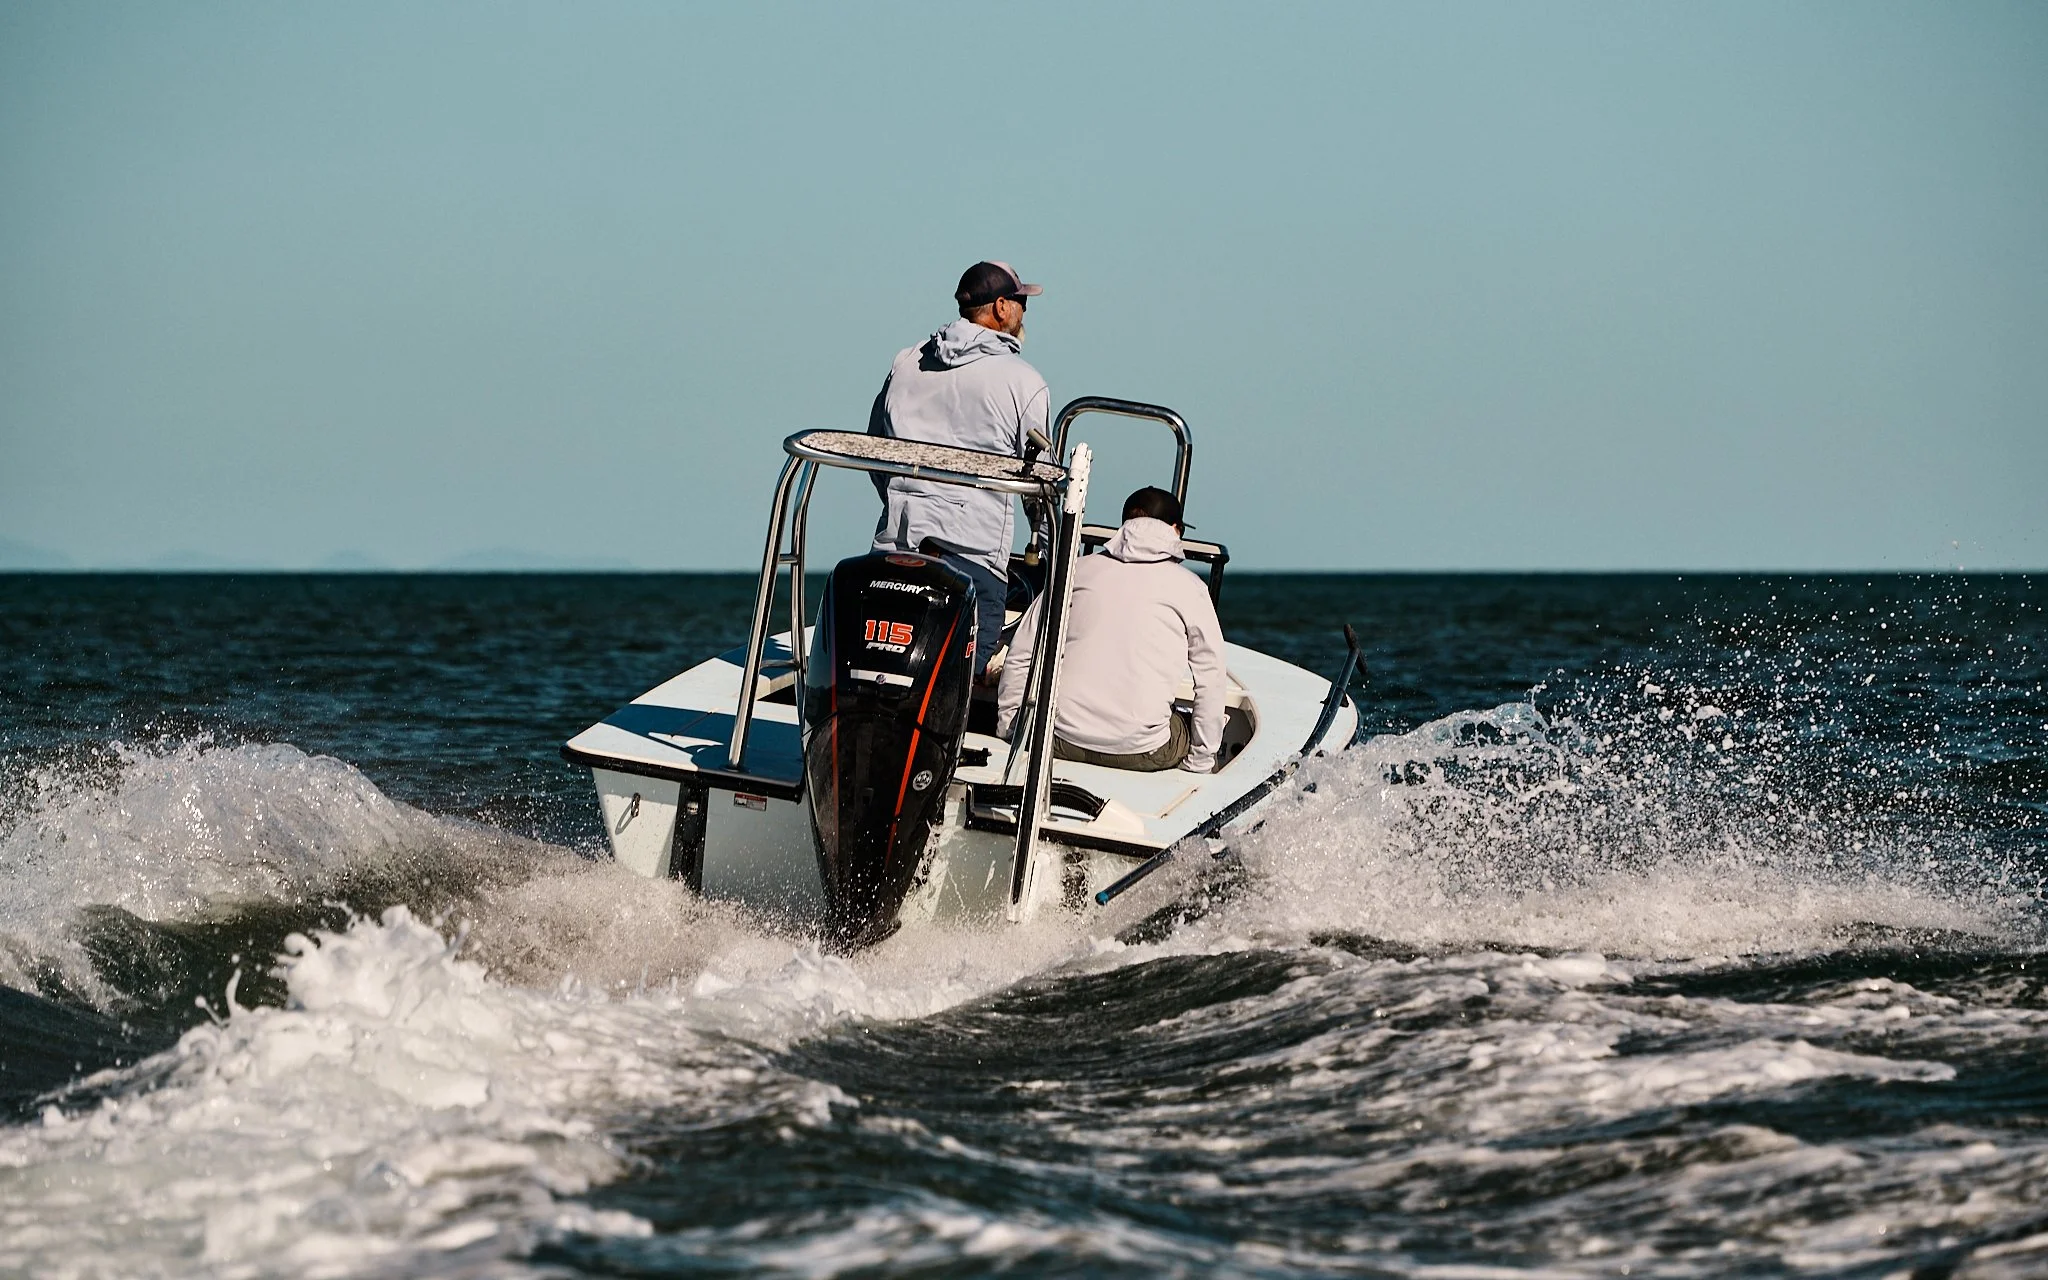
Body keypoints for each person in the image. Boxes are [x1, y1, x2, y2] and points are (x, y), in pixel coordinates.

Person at [869, 261, 1049, 675]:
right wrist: (1045, 548)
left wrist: (904, 500)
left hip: (895, 546)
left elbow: (874, 451)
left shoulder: (907, 361)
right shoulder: (1023, 381)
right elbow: (1040, 489)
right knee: (960, 676)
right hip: (974, 560)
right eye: (1021, 301)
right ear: (1001, 307)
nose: (1025, 311)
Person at [996, 487, 1227, 773]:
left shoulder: (1076, 570)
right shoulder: (1191, 588)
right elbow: (1212, 679)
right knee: (1187, 724)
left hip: (1058, 739)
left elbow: (1023, 650)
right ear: (1176, 530)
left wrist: (1009, 727)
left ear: (1124, 524)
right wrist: (1201, 761)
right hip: (1143, 752)